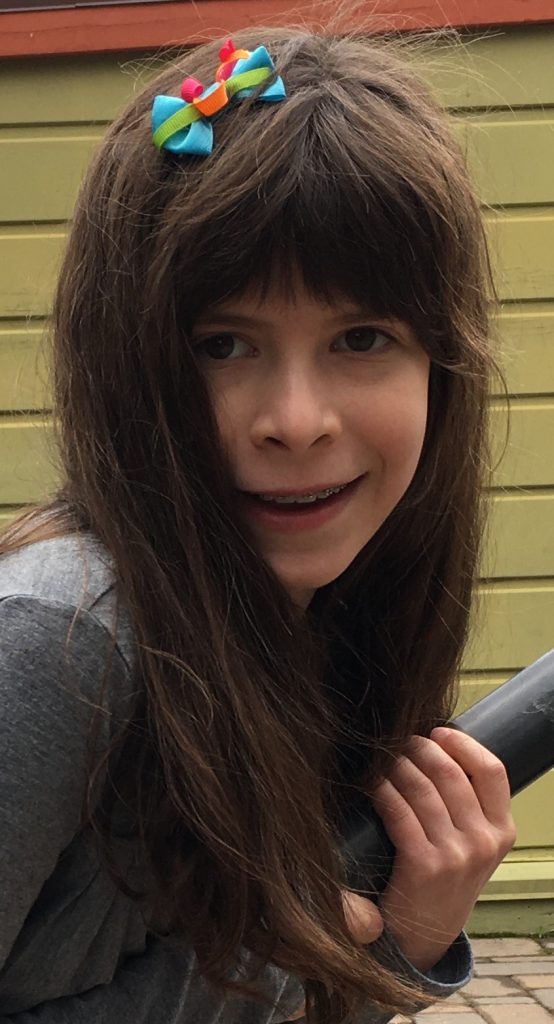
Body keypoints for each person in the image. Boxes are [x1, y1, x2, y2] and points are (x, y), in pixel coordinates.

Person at [0, 24, 516, 1024]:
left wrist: (395, 941)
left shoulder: (327, 621)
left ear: (441, 369)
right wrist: (289, 962)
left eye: (360, 337)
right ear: (125, 364)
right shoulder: (57, 648)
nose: (295, 420)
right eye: (223, 344)